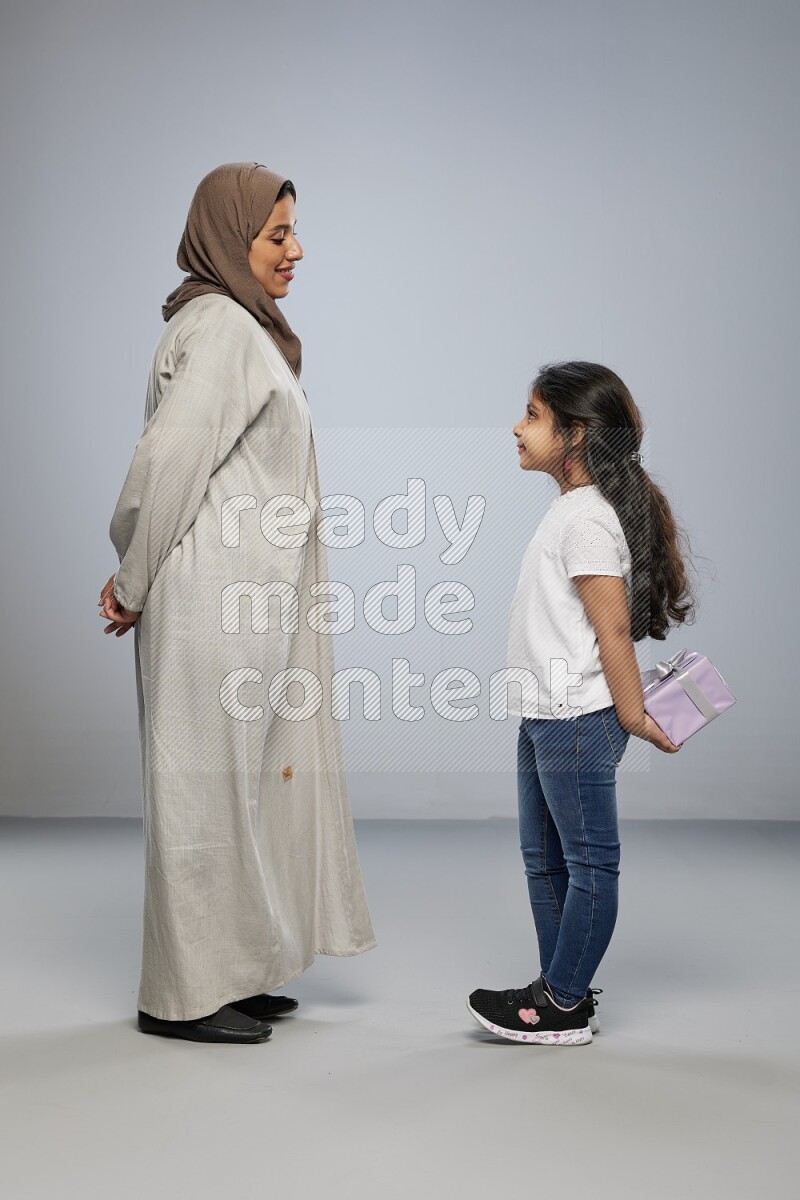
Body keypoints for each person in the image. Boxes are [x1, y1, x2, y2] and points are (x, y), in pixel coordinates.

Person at [98, 162, 376, 1044]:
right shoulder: (221, 327)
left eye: (293, 231)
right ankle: (178, 996)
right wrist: (133, 579)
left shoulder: (245, 328)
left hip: (249, 605)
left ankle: (237, 969)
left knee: (247, 789)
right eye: (276, 234)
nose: (296, 250)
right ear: (230, 239)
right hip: (209, 604)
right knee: (201, 792)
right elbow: (167, 465)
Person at [467, 362, 695, 1046]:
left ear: (575, 435)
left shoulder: (590, 520)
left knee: (590, 863)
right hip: (543, 714)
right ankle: (556, 994)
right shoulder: (570, 511)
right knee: (544, 862)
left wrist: (631, 717)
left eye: (533, 416)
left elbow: (613, 630)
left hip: (576, 719)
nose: (517, 426)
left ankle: (562, 1000)